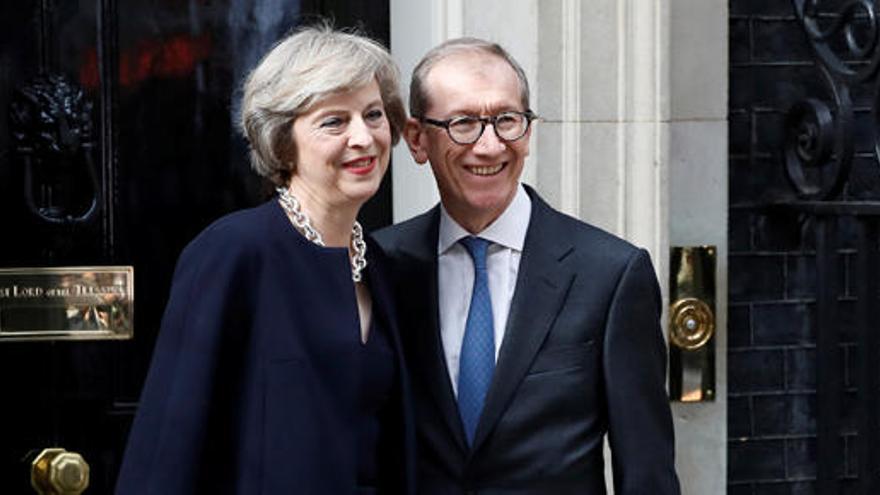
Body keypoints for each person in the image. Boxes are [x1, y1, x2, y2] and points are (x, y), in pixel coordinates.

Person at [116, 25, 415, 494]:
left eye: (374, 114)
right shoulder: (234, 253)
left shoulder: (381, 265)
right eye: (334, 122)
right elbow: (169, 448)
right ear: (283, 141)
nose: (364, 137)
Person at [373, 38, 681, 494]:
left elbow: (647, 473)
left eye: (507, 120)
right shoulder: (383, 267)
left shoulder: (610, 274)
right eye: (463, 124)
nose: (490, 145)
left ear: (529, 131)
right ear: (418, 139)